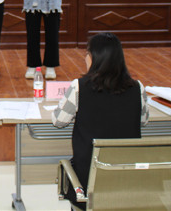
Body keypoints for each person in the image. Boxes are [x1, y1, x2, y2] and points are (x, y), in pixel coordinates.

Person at [52, 32, 149, 206]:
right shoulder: (137, 88)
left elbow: (58, 121)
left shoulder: (79, 87)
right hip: (127, 181)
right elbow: (143, 120)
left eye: (87, 54)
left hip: (87, 184)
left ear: (94, 58)